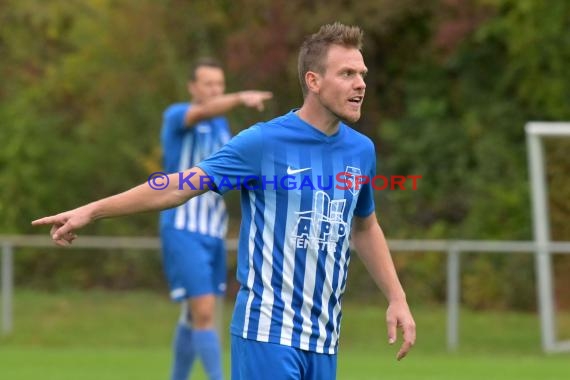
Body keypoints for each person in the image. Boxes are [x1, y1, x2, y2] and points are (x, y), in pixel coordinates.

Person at [33, 22, 416, 380]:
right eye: (347, 73)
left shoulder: (361, 151)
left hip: (325, 341)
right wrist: (93, 210)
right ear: (313, 81)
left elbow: (364, 226)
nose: (360, 83)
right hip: (266, 333)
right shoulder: (263, 142)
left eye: (362, 74)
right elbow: (178, 185)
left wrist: (397, 297)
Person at [160, 58, 272, 380]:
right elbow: (202, 112)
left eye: (220, 85)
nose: (215, 91)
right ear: (193, 88)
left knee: (193, 316)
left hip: (213, 232)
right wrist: (238, 98)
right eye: (208, 84)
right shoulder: (178, 115)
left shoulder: (224, 128)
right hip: (183, 227)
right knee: (206, 313)